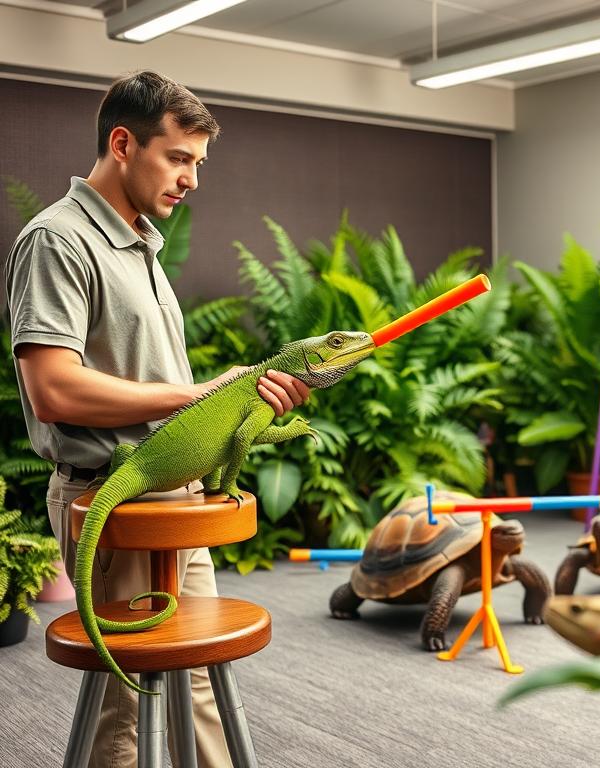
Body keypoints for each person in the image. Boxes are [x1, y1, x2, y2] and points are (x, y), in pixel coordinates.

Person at [4, 70, 308, 766]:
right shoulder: (58, 240)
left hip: (176, 495)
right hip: (113, 498)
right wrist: (198, 393)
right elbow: (53, 389)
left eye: (198, 163)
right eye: (178, 158)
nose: (191, 179)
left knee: (193, 678)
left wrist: (239, 404)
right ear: (122, 143)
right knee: (128, 709)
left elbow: (158, 386)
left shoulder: (140, 242)